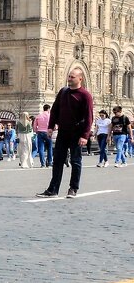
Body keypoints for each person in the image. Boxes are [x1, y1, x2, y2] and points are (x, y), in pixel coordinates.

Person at [37, 68, 94, 198]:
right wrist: (51, 126)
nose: (69, 79)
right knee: (57, 161)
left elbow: (89, 116)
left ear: (80, 79)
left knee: (75, 161)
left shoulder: (85, 95)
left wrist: (85, 135)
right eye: (69, 76)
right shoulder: (63, 92)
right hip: (63, 131)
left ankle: (73, 188)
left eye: (72, 77)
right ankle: (53, 189)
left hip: (77, 132)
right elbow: (55, 110)